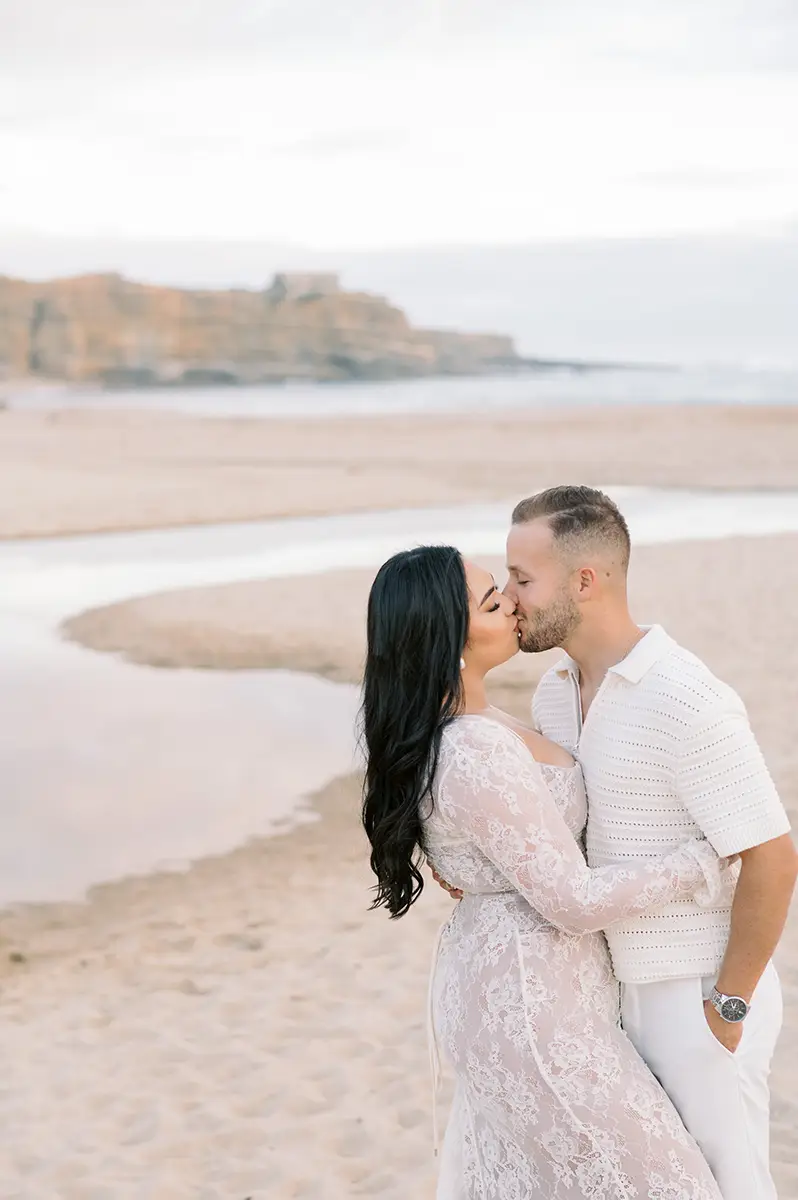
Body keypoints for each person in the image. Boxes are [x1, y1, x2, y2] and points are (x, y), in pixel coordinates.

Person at [361, 544, 729, 1199]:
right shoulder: (472, 746)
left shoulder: (469, 725)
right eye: (490, 601)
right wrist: (699, 863)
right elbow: (573, 900)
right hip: (531, 1008)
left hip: (521, 986)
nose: (511, 602)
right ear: (447, 636)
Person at [498, 485, 797, 1200]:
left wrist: (727, 1007)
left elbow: (773, 855)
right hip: (609, 994)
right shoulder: (553, 692)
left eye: (522, 578)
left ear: (585, 581)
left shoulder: (685, 699)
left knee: (733, 1185)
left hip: (697, 991)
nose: (509, 597)